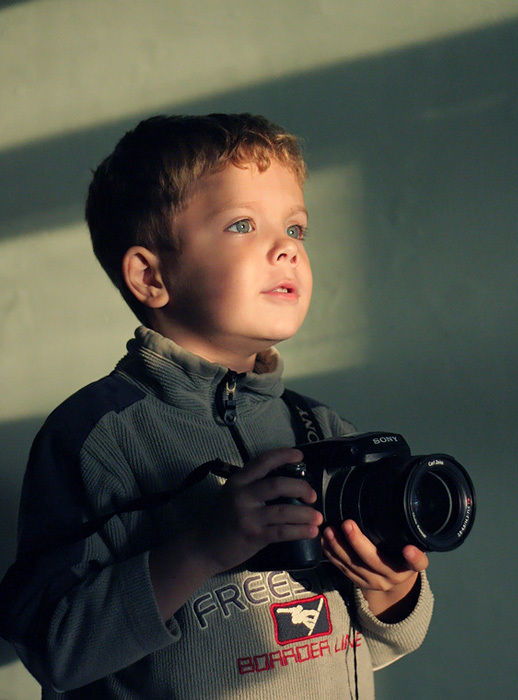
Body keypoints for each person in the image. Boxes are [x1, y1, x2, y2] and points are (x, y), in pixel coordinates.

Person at [0, 114, 433, 699]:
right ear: (151, 277)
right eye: (243, 224)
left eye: (297, 229)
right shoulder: (96, 438)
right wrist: (202, 546)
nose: (285, 248)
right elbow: (55, 648)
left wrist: (392, 591)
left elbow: (365, 648)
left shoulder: (319, 428)